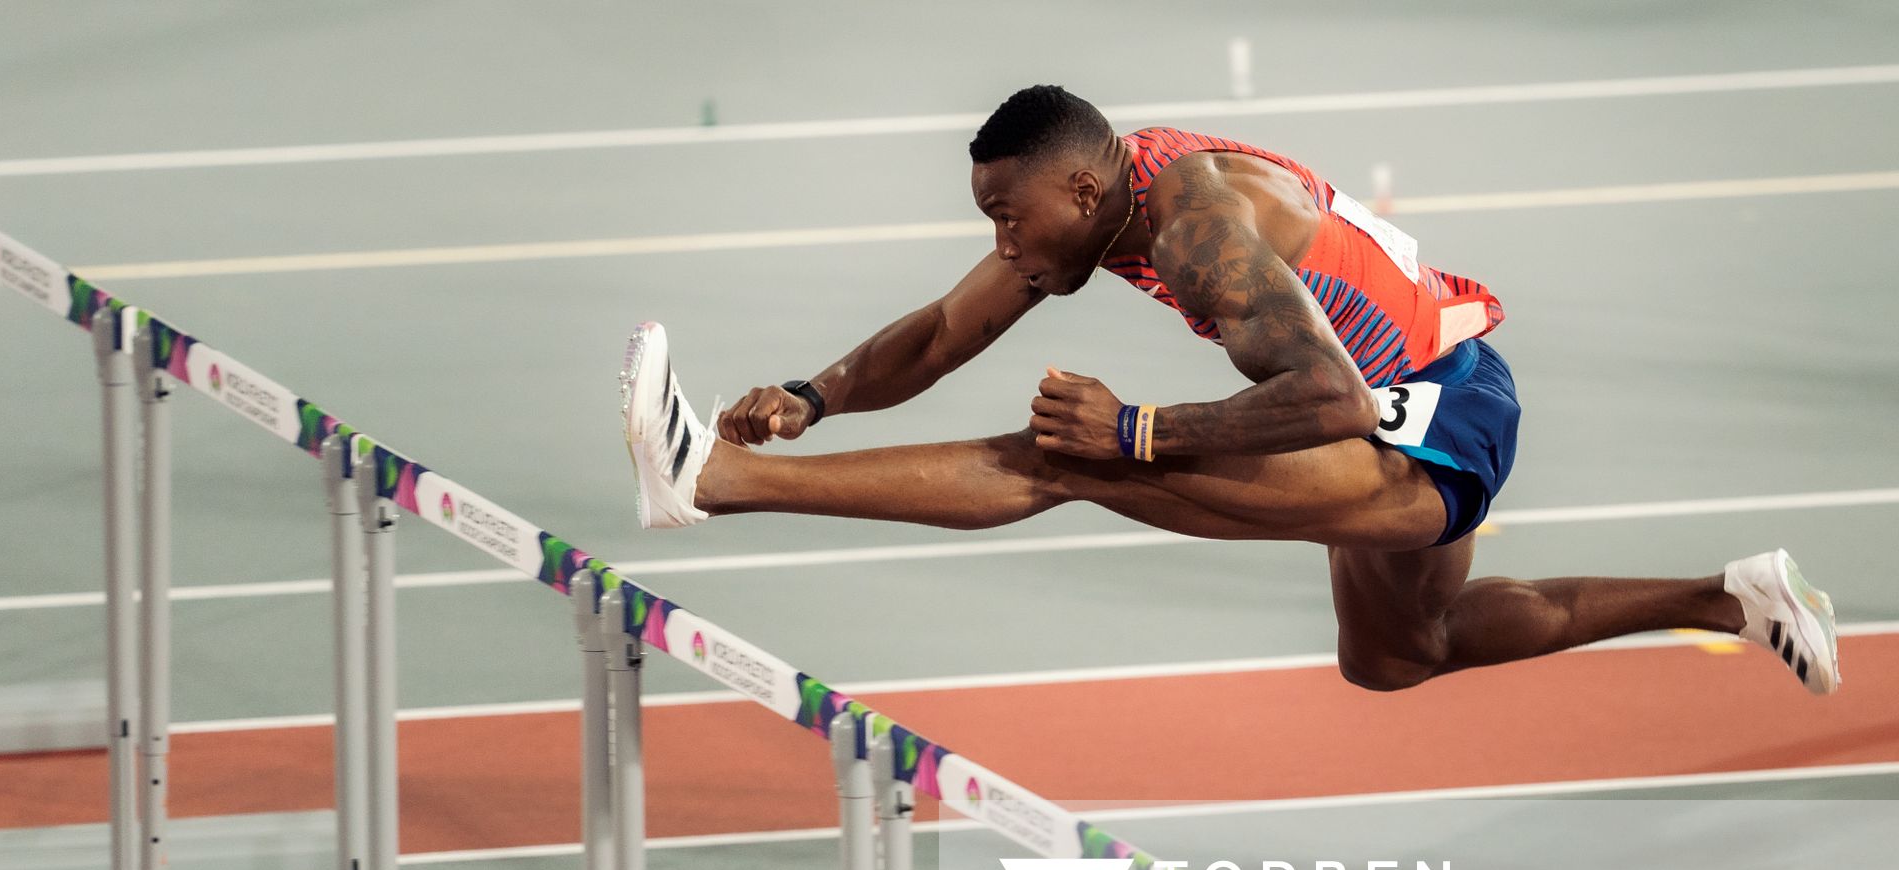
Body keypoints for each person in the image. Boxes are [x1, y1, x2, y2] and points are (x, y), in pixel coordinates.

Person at [620, 85, 1838, 694]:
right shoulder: (1095, 212)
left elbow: (1336, 401)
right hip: (1439, 393)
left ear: (1084, 195)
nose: (1001, 241)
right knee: (1401, 652)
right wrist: (811, 389)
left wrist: (1138, 429)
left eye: (1006, 212)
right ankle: (1732, 597)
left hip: (1430, 421)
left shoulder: (1197, 217)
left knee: (1067, 458)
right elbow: (940, 334)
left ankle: (714, 484)